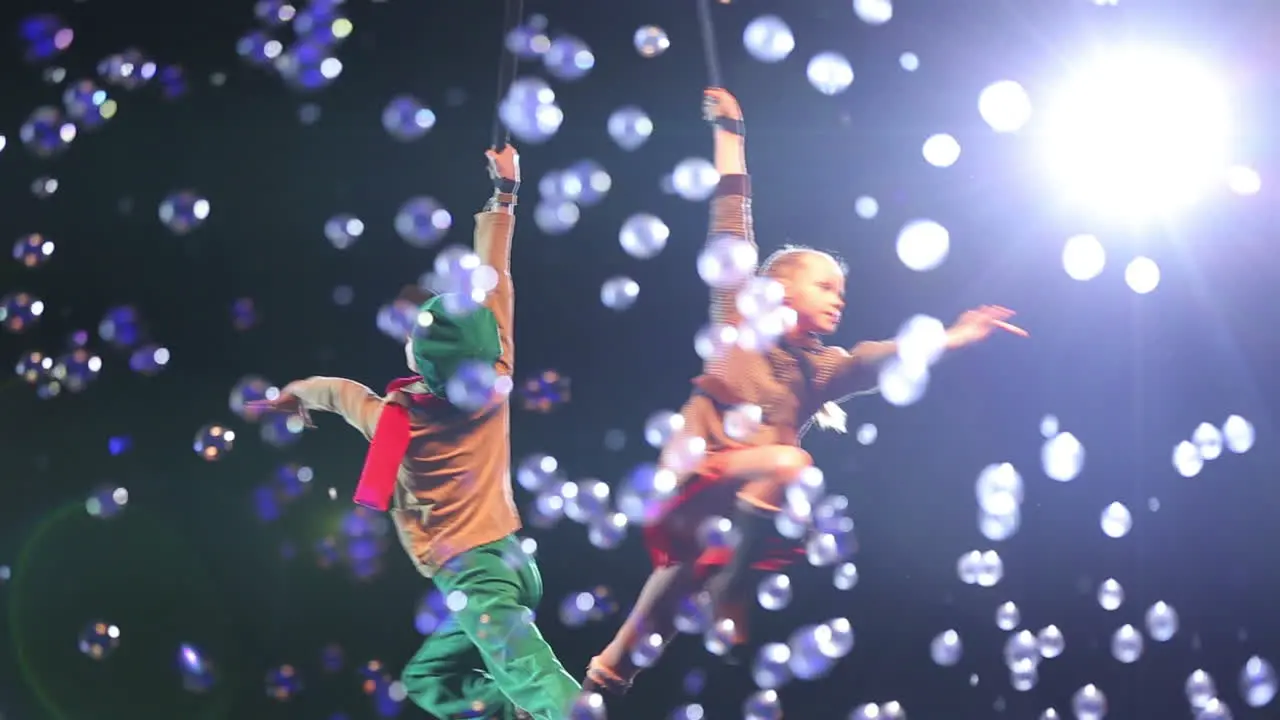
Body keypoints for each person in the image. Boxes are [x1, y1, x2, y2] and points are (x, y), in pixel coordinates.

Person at [581, 88, 1025, 695]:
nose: (838, 297)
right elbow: (730, 214)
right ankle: (730, 587)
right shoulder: (737, 314)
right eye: (825, 285)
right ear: (781, 290)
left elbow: (883, 359)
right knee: (790, 462)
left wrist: (957, 336)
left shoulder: (821, 371)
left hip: (737, 510)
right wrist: (731, 131)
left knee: (673, 589)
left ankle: (610, 670)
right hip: (696, 475)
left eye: (841, 289)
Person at [249, 145, 581, 720]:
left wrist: (293, 394)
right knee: (426, 679)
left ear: (418, 362)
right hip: (515, 562)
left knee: (531, 673)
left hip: (479, 577)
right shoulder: (498, 371)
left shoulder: (395, 420)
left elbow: (336, 390)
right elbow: (495, 273)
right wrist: (506, 192)